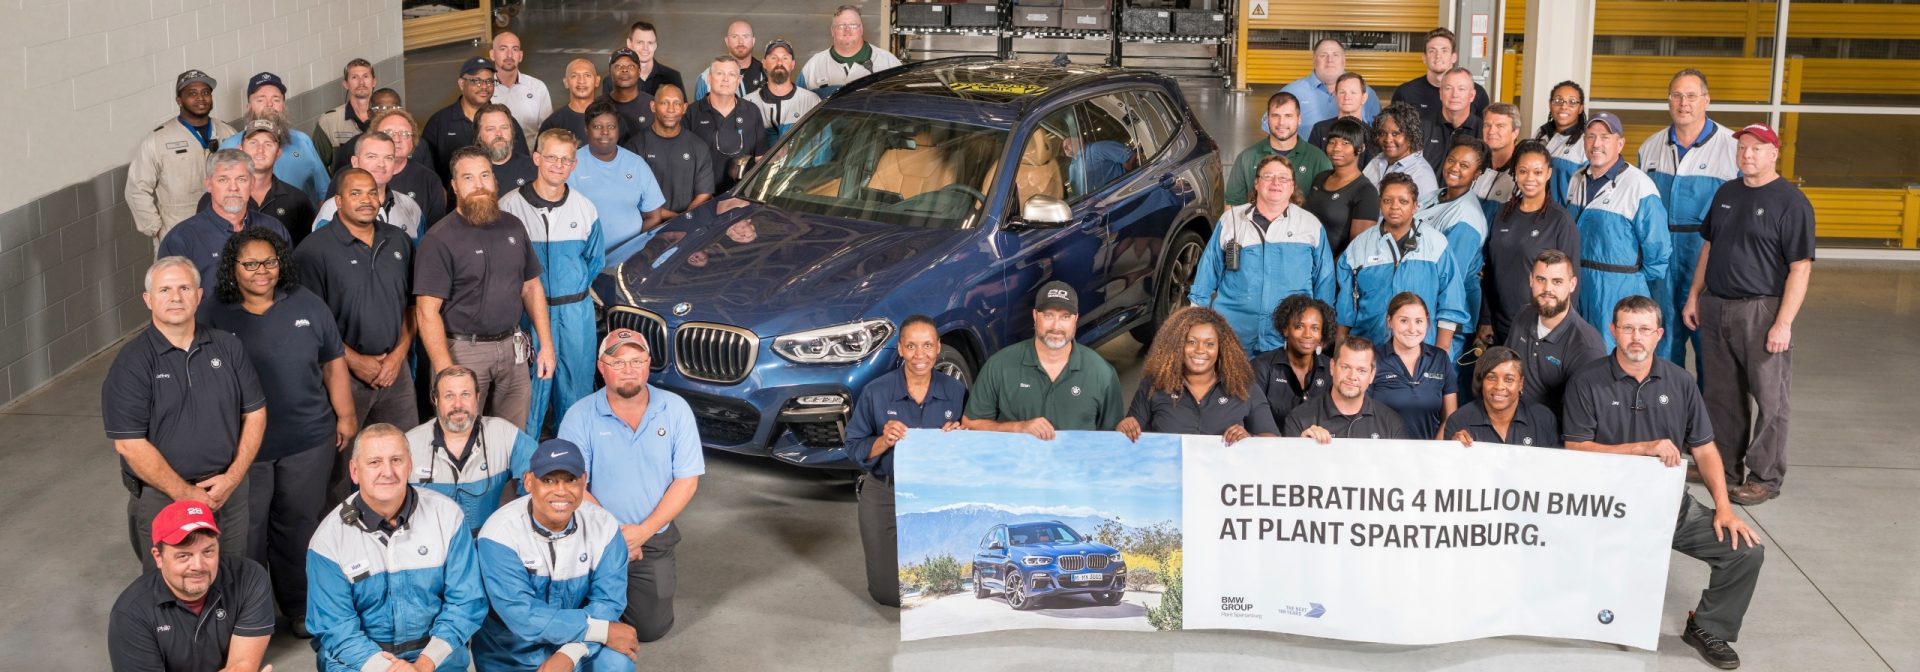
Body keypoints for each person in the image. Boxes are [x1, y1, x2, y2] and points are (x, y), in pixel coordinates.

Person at [1561, 296, 1763, 670]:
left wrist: (1724, 509)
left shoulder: (1680, 382)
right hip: (1604, 511)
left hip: (1670, 507)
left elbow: (1704, 450)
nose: (1635, 338)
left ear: (1659, 334)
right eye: (1627, 328)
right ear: (1613, 331)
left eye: (1644, 330)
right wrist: (1641, 448)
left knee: (1745, 551)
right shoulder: (1587, 382)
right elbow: (1576, 448)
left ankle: (1707, 627)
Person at [200, 228, 354, 638]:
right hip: (243, 449)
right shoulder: (213, 313)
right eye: (249, 264)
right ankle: (250, 618)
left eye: (269, 262)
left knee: (299, 526)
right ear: (233, 269)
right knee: (247, 534)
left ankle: (301, 608)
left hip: (307, 439)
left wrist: (345, 415)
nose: (261, 271)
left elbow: (333, 362)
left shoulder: (306, 304)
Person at [103, 257, 265, 569]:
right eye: (164, 290)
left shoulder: (227, 347)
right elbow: (128, 444)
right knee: (170, 588)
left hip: (227, 492)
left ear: (199, 295)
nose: (176, 297)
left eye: (184, 288)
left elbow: (255, 413)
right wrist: (185, 493)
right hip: (163, 497)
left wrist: (232, 478)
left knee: (228, 576)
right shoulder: (132, 363)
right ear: (148, 300)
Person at [1683, 123, 1814, 506]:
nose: (1748, 155)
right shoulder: (1727, 192)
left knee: (1770, 398)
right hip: (1717, 304)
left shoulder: (1791, 202)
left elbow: (1801, 268)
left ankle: (1765, 476)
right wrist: (1695, 296)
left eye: (1757, 148)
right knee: (1722, 395)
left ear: (1774, 153)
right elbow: (1708, 249)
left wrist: (1783, 322)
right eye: (1742, 148)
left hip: (1762, 309)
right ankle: (1724, 466)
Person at [558, 329, 705, 642]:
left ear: (648, 363)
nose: (629, 369)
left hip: (653, 537)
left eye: (637, 361)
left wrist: (644, 531)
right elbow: (572, 486)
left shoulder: (675, 410)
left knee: (650, 629)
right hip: (594, 536)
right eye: (618, 362)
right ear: (601, 366)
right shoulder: (579, 416)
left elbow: (687, 481)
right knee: (581, 621)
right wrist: (616, 536)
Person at [306, 424, 487, 672]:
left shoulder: (447, 516)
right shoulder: (328, 539)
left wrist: (425, 664)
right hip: (359, 661)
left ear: (410, 465)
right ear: (355, 471)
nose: (387, 471)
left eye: (396, 460)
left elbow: (466, 603)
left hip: (435, 657)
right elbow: (336, 628)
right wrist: (388, 669)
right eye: (374, 462)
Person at [294, 169, 423, 504]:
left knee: (403, 454)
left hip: (395, 373)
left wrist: (396, 358)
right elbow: (310, 322)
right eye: (356, 193)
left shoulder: (398, 241)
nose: (366, 200)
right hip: (343, 375)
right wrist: (356, 361)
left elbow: (412, 307)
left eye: (371, 193)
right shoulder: (313, 251)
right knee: (339, 467)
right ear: (337, 201)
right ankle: (342, 535)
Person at [414, 146, 558, 429]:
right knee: (460, 435)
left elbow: (531, 287)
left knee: (512, 435)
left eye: (485, 175)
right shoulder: (439, 239)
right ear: (454, 186)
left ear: (494, 180)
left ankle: (508, 477)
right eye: (468, 178)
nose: (479, 185)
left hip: (512, 348)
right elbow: (426, 313)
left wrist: (546, 346)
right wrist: (446, 371)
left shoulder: (513, 227)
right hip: (462, 351)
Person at [473, 440, 640, 671]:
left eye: (570, 480)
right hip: (512, 654)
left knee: (616, 664)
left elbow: (607, 602)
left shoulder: (605, 527)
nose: (560, 491)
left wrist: (569, 654)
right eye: (549, 480)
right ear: (529, 481)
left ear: (583, 481)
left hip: (580, 648)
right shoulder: (499, 534)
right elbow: (522, 616)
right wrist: (602, 631)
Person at [843, 316, 967, 607]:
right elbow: (853, 447)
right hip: (886, 489)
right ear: (900, 349)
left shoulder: (955, 392)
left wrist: (960, 438)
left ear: (938, 348)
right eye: (911, 346)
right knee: (888, 594)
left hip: (939, 492)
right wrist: (883, 440)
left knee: (937, 589)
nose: (919, 354)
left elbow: (973, 448)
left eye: (926, 345)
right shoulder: (877, 392)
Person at [501, 128, 607, 434]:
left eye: (566, 159)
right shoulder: (509, 207)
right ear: (536, 158)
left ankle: (573, 459)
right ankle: (523, 470)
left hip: (575, 313)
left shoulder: (585, 209)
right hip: (527, 313)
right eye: (551, 157)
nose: (558, 165)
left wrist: (570, 290)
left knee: (575, 388)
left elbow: (594, 259)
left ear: (574, 165)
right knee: (528, 392)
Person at [1641, 69, 1739, 371]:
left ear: (1706, 100)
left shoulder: (1732, 147)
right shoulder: (1650, 147)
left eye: (1691, 96)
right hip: (1661, 258)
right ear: (1669, 100)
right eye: (1677, 95)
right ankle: (1667, 410)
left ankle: (1707, 417)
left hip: (1706, 255)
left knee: (1709, 341)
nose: (1684, 103)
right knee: (1663, 337)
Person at [1190, 155, 1335, 355]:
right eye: (1268, 176)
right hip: (1234, 332)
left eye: (1283, 178)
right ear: (1257, 183)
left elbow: (1325, 280)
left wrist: (1321, 332)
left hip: (1289, 335)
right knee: (1232, 385)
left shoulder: (1310, 225)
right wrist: (1196, 320)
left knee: (1285, 385)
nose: (1276, 183)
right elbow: (1208, 272)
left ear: (1293, 187)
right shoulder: (1231, 220)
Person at [108, 501, 274, 672]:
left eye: (208, 551)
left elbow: (242, 666)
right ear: (158, 557)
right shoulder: (131, 614)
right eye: (184, 555)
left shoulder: (248, 578)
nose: (198, 566)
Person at [964, 282, 1126, 438]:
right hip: (1016, 464)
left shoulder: (1102, 373)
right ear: (1035, 316)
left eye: (1065, 317)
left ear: (1075, 319)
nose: (1056, 326)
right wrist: (1017, 427)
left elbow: (1113, 439)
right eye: (1048, 315)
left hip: (1075, 464)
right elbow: (971, 423)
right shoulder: (999, 365)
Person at [1566, 112, 1671, 350]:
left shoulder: (1639, 186)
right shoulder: (1576, 180)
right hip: (1578, 284)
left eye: (1605, 137)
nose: (1596, 144)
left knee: (1614, 353)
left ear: (1620, 143)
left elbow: (1658, 251)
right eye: (1590, 136)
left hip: (1619, 288)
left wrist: (1630, 284)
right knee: (1577, 351)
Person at [1336, 172, 1467, 350]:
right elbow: (1345, 311)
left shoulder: (1436, 244)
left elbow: (1451, 303)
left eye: (1403, 201)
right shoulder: (1359, 246)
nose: (1395, 207)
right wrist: (1340, 351)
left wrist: (1440, 356)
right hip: (1369, 349)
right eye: (1388, 200)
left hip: (1422, 351)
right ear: (1380, 203)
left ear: (1415, 206)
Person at [1118, 306, 1280, 443]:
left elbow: (1272, 440)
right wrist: (1123, 429)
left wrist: (1248, 439)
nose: (1200, 350)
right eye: (1191, 342)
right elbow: (1129, 434)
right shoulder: (1154, 384)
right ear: (1177, 345)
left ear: (1221, 349)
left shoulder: (1244, 387)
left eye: (1209, 344)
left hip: (1225, 479)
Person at [406, 366, 537, 533]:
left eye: (465, 394)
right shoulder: (409, 444)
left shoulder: (504, 434)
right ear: (436, 400)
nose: (458, 404)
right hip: (430, 548)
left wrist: (519, 526)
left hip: (485, 542)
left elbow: (542, 476)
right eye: (449, 396)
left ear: (477, 397)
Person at [1481, 141, 1581, 346]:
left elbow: (1571, 283)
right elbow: (1489, 271)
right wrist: (1485, 319)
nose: (1530, 178)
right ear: (1515, 173)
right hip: (1499, 325)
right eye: (1523, 171)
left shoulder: (1560, 220)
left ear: (1548, 173)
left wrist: (1558, 330)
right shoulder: (1502, 213)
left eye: (1537, 172)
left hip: (1540, 326)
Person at [129, 70, 236, 246]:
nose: (201, 98)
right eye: (192, 93)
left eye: (206, 92)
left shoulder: (227, 132)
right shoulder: (159, 139)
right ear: (179, 100)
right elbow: (136, 188)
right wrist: (155, 228)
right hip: (178, 232)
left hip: (223, 229)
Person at [157, 149, 292, 281]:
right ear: (208, 185)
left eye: (241, 179)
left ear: (252, 184)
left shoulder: (274, 229)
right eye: (223, 180)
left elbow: (289, 283)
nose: (233, 188)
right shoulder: (181, 240)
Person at [1504, 249, 1606, 415]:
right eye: (1540, 279)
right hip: (1510, 419)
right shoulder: (1523, 315)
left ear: (1572, 285)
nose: (1547, 289)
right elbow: (1506, 369)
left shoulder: (1586, 347)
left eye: (1557, 282)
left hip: (1550, 434)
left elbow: (1586, 417)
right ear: (1531, 280)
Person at [1416, 136, 1490, 357]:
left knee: (1443, 380)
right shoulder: (1432, 196)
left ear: (1477, 174)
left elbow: (1450, 276)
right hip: (1423, 304)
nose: (1454, 168)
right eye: (1451, 160)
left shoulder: (1467, 217)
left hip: (1448, 317)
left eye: (1465, 165)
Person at [572, 102, 670, 253]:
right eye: (597, 126)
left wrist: (634, 249)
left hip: (629, 260)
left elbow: (653, 215)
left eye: (611, 127)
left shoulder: (636, 164)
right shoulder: (571, 164)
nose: (605, 132)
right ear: (586, 129)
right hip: (583, 258)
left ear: (618, 130)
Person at [216, 72, 330, 202]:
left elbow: (324, 193)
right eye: (261, 99)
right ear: (248, 107)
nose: (269, 105)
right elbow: (215, 196)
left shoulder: (303, 142)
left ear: (283, 106)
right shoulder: (229, 148)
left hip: (299, 220)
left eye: (276, 99)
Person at [207, 118, 315, 246]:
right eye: (253, 142)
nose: (260, 150)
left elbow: (304, 254)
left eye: (268, 144)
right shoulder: (215, 198)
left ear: (278, 153)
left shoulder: (297, 200)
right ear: (240, 149)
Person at [424, 57, 530, 184]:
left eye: (489, 81)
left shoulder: (507, 122)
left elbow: (523, 163)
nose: (484, 86)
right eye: (476, 81)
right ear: (462, 84)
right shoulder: (439, 123)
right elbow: (426, 171)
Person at [1283, 336, 1409, 442]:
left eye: (1361, 370)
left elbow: (1398, 470)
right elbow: (1287, 469)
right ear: (1332, 367)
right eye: (1345, 367)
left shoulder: (1391, 423)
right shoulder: (1299, 418)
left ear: (1372, 375)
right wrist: (1300, 448)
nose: (1352, 376)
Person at [1368, 292, 1457, 439]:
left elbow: (1450, 417)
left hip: (1430, 453)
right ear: (1389, 321)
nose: (1412, 329)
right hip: (1383, 452)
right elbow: (1362, 414)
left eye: (1419, 321)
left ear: (1427, 322)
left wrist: (1434, 450)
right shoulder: (1372, 358)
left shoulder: (1440, 359)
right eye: (1404, 321)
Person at [311, 130, 428, 240]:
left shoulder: (411, 207)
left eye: (388, 158)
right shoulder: (331, 211)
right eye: (372, 156)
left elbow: (420, 258)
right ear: (355, 162)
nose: (381, 164)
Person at [625, 85, 715, 218]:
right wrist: (672, 218)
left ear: (684, 108)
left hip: (688, 225)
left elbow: (704, 193)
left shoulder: (698, 146)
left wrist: (685, 218)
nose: (671, 109)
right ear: (653, 106)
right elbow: (631, 196)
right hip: (648, 228)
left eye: (676, 103)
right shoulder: (634, 147)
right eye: (664, 103)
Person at [1226, 92, 1330, 205]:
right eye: (1275, 116)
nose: (1281, 122)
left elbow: (1326, 207)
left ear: (1299, 119)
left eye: (1288, 116)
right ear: (1267, 119)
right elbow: (1233, 205)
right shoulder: (1246, 158)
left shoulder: (1318, 159)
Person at [1445, 346, 1560, 447]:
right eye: (1491, 377)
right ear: (1481, 381)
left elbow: (1551, 468)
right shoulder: (1458, 421)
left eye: (1509, 379)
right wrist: (1454, 450)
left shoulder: (1544, 419)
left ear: (1520, 384)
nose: (1499, 386)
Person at [1251, 294, 1336, 429]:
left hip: (1318, 446)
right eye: (1299, 326)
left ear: (1321, 334)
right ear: (1285, 329)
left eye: (1315, 328)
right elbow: (1252, 417)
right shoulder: (1262, 367)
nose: (1307, 335)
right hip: (1271, 446)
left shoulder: (1332, 369)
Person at [689, 57, 770, 193]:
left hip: (740, 196)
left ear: (738, 80)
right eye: (720, 73)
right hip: (700, 196)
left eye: (732, 74)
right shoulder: (691, 112)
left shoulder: (752, 111)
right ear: (709, 78)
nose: (725, 79)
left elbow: (760, 158)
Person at [1302, 117, 1380, 258]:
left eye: (1346, 143)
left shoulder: (1366, 192)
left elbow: (1357, 248)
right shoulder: (1321, 178)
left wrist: (1328, 274)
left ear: (1361, 148)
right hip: (1305, 261)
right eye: (1332, 142)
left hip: (1334, 271)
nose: (1336, 148)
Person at [1282, 38, 1382, 136]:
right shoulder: (1291, 92)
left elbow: (1378, 133)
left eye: (1335, 55)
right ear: (1314, 60)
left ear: (1344, 60)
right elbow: (1275, 130)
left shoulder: (1367, 94)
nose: (1330, 60)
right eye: (1323, 55)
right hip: (1305, 153)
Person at [1392, 28, 1489, 125]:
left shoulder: (1477, 93)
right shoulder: (1405, 93)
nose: (1438, 56)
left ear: (1453, 57)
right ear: (1424, 58)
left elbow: (1483, 132)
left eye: (1444, 50)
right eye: (1432, 51)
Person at [376, 108, 453, 229]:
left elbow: (436, 231)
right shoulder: (351, 177)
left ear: (413, 142)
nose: (396, 139)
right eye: (388, 133)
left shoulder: (430, 180)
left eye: (404, 134)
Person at [800, 5, 901, 96]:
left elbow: (904, 102)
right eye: (841, 26)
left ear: (861, 29)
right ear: (832, 31)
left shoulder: (889, 62)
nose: (847, 30)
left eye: (853, 25)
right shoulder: (813, 66)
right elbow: (797, 105)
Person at [745, 39, 822, 146]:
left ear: (793, 64)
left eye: (785, 58)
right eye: (773, 58)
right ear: (764, 63)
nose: (779, 63)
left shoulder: (811, 101)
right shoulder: (747, 104)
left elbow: (822, 147)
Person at [1361, 102, 1437, 197]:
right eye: (1383, 133)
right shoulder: (1377, 160)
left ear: (1411, 136)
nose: (1388, 140)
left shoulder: (1422, 175)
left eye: (1395, 134)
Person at [489, 31, 554, 140]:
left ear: (520, 56)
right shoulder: (484, 89)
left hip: (529, 155)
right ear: (492, 54)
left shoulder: (537, 88)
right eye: (503, 49)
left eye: (515, 49)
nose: (509, 55)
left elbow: (548, 130)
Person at [315, 59, 378, 168]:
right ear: (345, 84)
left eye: (365, 76)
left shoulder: (387, 118)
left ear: (374, 82)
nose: (361, 82)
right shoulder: (329, 121)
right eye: (354, 77)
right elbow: (317, 167)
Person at [1417, 68, 1483, 172]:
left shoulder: (1483, 131)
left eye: (1461, 89)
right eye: (1448, 88)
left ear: (1472, 95)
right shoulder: (1421, 127)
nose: (1454, 95)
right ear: (1440, 93)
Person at [1307, 73, 1378, 167]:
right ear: (1335, 96)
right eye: (1342, 92)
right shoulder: (1319, 129)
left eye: (1353, 92)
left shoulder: (1372, 134)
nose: (1347, 97)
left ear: (1364, 98)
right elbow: (1312, 164)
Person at [1537, 81, 1589, 205]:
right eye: (1558, 100)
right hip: (1535, 216)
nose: (1564, 106)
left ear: (1580, 108)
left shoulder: (1585, 141)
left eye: (1572, 102)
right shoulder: (1540, 134)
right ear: (1550, 104)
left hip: (1565, 218)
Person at [1474, 102, 1523, 221]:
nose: (1491, 131)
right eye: (1487, 125)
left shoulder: (1521, 174)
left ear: (1515, 132)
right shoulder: (1474, 164)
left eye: (1500, 126)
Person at [694, 20, 767, 100]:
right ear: (726, 41)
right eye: (734, 36)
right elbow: (698, 110)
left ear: (753, 41)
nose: (740, 42)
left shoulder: (767, 74)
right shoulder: (706, 77)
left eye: (745, 36)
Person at [476, 103, 538, 193]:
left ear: (512, 132)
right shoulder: (468, 171)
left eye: (504, 127)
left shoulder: (533, 168)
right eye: (490, 129)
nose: (499, 133)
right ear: (479, 135)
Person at [542, 59, 605, 145]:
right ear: (566, 82)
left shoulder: (612, 118)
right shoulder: (553, 123)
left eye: (587, 75)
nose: (581, 81)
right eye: (574, 76)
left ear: (597, 81)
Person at [603, 49, 657, 137]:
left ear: (639, 71)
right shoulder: (598, 104)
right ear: (610, 71)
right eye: (618, 66)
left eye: (631, 66)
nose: (624, 70)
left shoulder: (653, 106)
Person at [622, 21, 685, 96]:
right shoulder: (615, 80)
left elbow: (681, 107)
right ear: (629, 43)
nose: (645, 48)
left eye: (650, 43)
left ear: (655, 45)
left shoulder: (672, 77)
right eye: (640, 42)